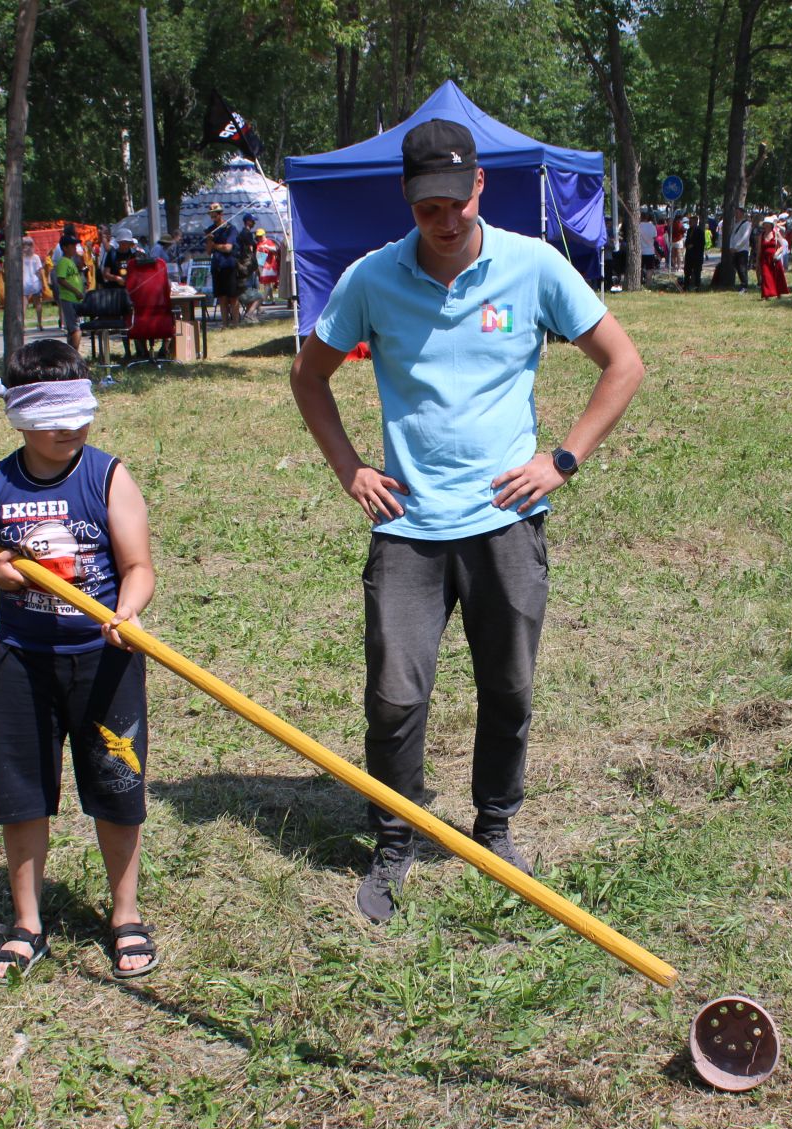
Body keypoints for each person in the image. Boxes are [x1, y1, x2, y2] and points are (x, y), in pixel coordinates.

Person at [288, 117, 645, 923]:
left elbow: (623, 364)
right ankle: (393, 839)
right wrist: (351, 469)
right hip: (409, 528)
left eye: (455, 202)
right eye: (426, 209)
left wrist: (561, 460)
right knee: (394, 695)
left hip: (505, 524)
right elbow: (309, 378)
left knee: (509, 687)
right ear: (408, 203)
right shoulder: (371, 280)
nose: (444, 221)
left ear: (480, 187)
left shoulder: (534, 267)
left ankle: (494, 826)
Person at [0, 339, 160, 981]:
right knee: (22, 796)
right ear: (20, 417)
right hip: (22, 664)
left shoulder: (107, 475)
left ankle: (125, 915)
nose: (70, 431)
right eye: (54, 421)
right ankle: (27, 923)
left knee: (117, 788)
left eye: (80, 416)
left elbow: (137, 567)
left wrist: (126, 613)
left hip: (103, 662)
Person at [204, 203, 240, 326]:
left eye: (214, 215)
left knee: (233, 296)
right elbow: (208, 252)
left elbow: (228, 248)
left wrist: (215, 245)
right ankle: (225, 324)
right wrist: (209, 241)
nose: (213, 218)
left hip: (229, 265)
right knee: (222, 297)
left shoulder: (230, 228)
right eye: (211, 216)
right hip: (216, 266)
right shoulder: (210, 230)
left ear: (220, 214)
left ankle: (235, 323)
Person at [53, 235, 86, 352]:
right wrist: (76, 291)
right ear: (65, 247)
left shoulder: (71, 261)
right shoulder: (63, 262)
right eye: (72, 246)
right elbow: (60, 280)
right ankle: (74, 354)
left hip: (74, 299)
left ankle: (70, 353)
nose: (75, 248)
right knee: (76, 329)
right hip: (69, 298)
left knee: (73, 329)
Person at [757, 217, 789, 300]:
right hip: (764, 259)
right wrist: (757, 260)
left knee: (776, 276)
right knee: (765, 276)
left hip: (774, 259)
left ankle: (778, 293)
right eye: (765, 225)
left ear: (771, 225)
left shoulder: (776, 234)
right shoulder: (761, 235)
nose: (766, 226)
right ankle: (766, 295)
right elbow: (759, 249)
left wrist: (777, 253)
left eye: (768, 225)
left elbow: (782, 246)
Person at [21, 236, 47, 330]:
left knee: (24, 305)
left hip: (24, 281)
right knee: (38, 303)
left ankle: (22, 325)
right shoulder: (35, 257)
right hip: (35, 281)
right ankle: (39, 324)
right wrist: (43, 283)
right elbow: (39, 271)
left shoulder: (20, 258)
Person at [727, 209, 752, 290]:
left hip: (742, 250)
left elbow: (745, 238)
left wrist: (736, 247)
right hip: (735, 250)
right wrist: (731, 246)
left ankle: (745, 286)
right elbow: (732, 236)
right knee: (737, 267)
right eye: (735, 213)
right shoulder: (736, 224)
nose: (736, 214)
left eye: (737, 213)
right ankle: (742, 283)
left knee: (742, 268)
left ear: (742, 214)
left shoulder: (747, 224)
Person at [682, 216, 705, 291]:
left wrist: (693, 245)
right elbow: (687, 240)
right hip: (689, 255)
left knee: (697, 272)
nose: (689, 223)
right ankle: (686, 286)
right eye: (689, 222)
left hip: (697, 255)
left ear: (695, 222)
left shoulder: (700, 231)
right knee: (687, 271)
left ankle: (697, 286)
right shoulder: (689, 230)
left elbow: (702, 243)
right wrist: (687, 245)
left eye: (691, 222)